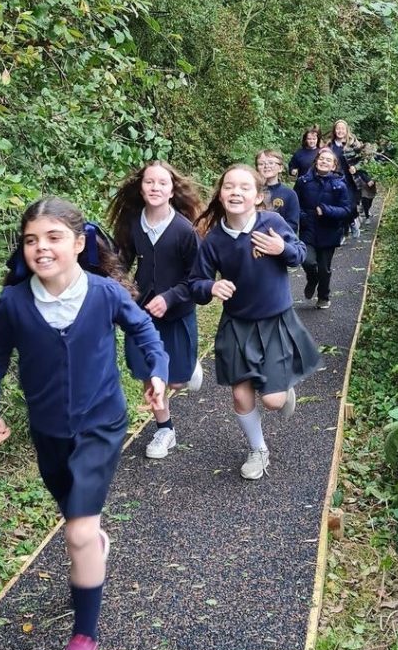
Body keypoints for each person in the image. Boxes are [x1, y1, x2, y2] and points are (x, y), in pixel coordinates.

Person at [0, 197, 168, 650]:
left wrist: (155, 371)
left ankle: (84, 647)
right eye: (31, 240)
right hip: (48, 433)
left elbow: (144, 330)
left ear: (79, 243)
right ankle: (90, 546)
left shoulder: (104, 293)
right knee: (74, 522)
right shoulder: (15, 303)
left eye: (53, 237)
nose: (41, 247)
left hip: (101, 425)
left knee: (79, 530)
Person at [190, 165, 321, 480]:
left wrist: (282, 248)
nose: (236, 192)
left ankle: (282, 389)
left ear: (258, 196)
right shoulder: (214, 239)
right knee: (240, 394)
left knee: (274, 402)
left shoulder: (272, 222)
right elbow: (196, 283)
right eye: (229, 186)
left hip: (275, 320)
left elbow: (301, 254)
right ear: (220, 194)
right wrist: (211, 287)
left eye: (244, 187)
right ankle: (258, 449)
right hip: (237, 324)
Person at [107, 160, 203, 460]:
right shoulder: (133, 223)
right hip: (143, 314)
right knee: (150, 374)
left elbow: (197, 278)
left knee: (176, 380)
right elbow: (119, 263)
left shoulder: (185, 230)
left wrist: (171, 297)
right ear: (141, 186)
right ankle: (165, 430)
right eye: (150, 182)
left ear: (172, 190)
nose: (155, 188)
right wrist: (123, 289)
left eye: (162, 183)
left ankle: (187, 369)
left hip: (177, 313)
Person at [294, 147, 354, 309]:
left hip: (330, 231)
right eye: (322, 158)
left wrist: (326, 210)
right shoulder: (303, 182)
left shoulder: (339, 185)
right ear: (316, 161)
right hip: (308, 230)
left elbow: (347, 210)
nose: (324, 161)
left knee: (324, 269)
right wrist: (303, 217)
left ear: (333, 166)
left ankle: (323, 296)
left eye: (328, 160)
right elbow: (295, 204)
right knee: (307, 262)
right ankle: (312, 279)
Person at [329, 119, 368, 241]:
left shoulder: (353, 144)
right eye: (338, 128)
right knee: (340, 207)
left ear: (346, 131)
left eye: (342, 129)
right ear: (334, 131)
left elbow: (365, 159)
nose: (340, 131)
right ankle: (343, 233)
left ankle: (352, 221)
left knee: (351, 206)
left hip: (351, 181)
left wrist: (356, 168)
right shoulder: (330, 145)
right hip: (335, 180)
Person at [256, 149, 300, 232]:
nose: (266, 166)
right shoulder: (251, 191)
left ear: (280, 168)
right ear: (257, 168)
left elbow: (292, 225)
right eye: (261, 164)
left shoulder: (289, 194)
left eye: (271, 163)